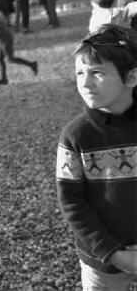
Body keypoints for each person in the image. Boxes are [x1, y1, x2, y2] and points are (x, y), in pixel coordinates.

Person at [56, 24, 137, 290]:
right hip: (103, 263)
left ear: (132, 77)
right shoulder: (75, 137)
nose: (85, 82)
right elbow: (72, 204)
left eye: (97, 73)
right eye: (80, 73)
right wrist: (113, 254)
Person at [0, 0, 38, 85]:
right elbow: (2, 23)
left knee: (11, 59)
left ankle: (32, 64)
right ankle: (4, 79)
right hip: (3, 38)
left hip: (5, 39)